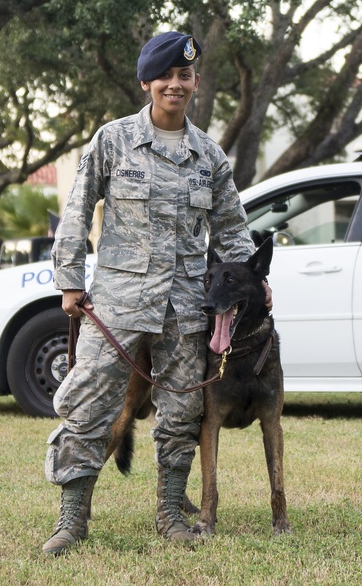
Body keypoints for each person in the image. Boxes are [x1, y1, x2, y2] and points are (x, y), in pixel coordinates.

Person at [43, 31, 258, 556]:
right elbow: (77, 208)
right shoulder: (112, 141)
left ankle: (169, 513)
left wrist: (259, 284)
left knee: (182, 412)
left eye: (185, 76)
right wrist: (70, 279)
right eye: (166, 76)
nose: (175, 85)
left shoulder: (209, 155)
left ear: (196, 83)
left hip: (186, 305)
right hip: (116, 300)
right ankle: (72, 519)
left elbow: (231, 229)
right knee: (89, 406)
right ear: (147, 82)